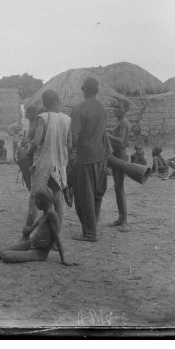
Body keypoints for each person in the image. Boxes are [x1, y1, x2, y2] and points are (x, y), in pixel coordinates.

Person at [24, 89, 71, 230]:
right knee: (57, 200)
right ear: (57, 101)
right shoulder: (67, 119)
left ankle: (26, 235)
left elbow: (36, 141)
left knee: (34, 200)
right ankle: (56, 236)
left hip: (43, 164)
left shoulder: (42, 118)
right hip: (60, 164)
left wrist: (28, 154)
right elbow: (70, 144)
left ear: (44, 103)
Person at [70, 77, 108, 242]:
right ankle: (94, 225)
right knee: (97, 194)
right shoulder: (102, 108)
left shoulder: (79, 109)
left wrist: (69, 154)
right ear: (97, 90)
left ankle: (90, 233)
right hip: (100, 156)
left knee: (84, 196)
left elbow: (73, 137)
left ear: (83, 88)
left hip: (85, 157)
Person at [0, 190, 77, 266]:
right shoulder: (44, 215)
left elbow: (57, 238)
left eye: (36, 202)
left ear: (40, 201)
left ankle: (24, 253)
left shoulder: (51, 214)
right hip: (31, 244)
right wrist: (26, 230)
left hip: (39, 252)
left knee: (5, 255)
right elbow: (30, 229)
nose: (36, 204)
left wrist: (63, 260)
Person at [107, 99, 131, 231]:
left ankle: (124, 221)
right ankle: (121, 218)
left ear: (125, 110)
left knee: (120, 189)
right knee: (117, 188)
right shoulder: (120, 122)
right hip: (117, 156)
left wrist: (108, 136)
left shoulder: (123, 122)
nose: (115, 109)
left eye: (119, 107)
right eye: (115, 107)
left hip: (120, 156)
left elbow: (122, 142)